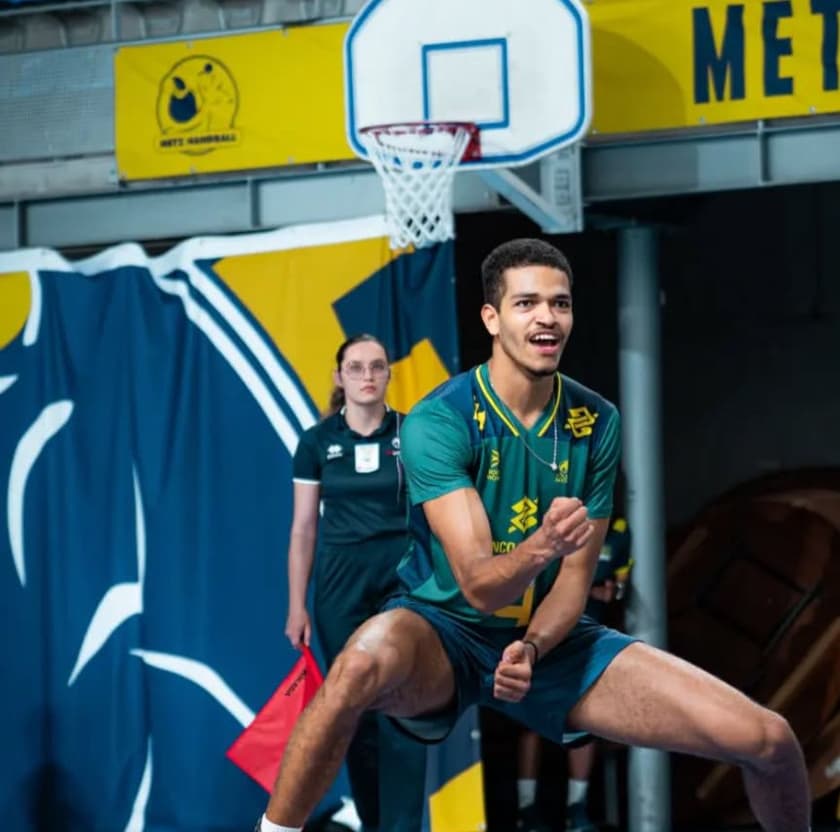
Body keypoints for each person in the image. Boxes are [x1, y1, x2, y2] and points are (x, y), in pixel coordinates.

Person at [257, 238, 811, 832]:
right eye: (526, 303)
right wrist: (542, 545)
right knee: (355, 671)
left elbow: (575, 584)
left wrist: (535, 646)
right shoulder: (438, 421)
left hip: (549, 644)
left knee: (770, 739)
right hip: (442, 631)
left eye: (560, 303)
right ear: (492, 319)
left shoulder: (595, 421)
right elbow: (476, 586)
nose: (547, 316)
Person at [283, 333, 426, 832]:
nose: (367, 376)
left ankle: (406, 825)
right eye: (357, 368)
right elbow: (304, 528)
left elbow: (437, 513)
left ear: (388, 375)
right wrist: (296, 607)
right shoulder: (317, 442)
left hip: (401, 584)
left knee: (406, 708)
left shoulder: (412, 434)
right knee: (355, 711)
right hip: (339, 589)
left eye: (377, 367)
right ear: (340, 377)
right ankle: (373, 821)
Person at [516, 482, 632, 832]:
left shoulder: (621, 533)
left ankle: (576, 809)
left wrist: (611, 590)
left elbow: (620, 584)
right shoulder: (555, 523)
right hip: (541, 639)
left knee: (582, 724)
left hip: (586, 642)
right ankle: (526, 810)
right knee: (531, 724)